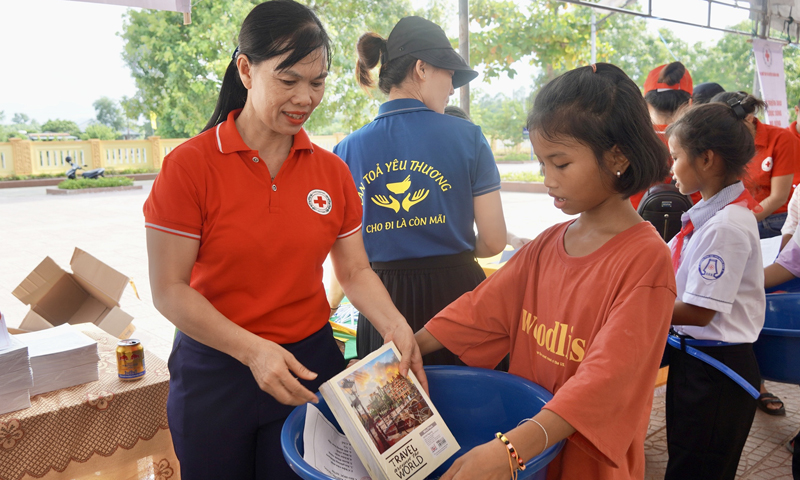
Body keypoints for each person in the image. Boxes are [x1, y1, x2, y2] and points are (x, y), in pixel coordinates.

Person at [142, 2, 425, 478]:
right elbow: (169, 289)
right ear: (246, 70)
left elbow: (354, 270)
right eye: (288, 80)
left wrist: (396, 324)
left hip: (308, 366)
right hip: (216, 369)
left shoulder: (331, 172)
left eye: (317, 83)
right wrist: (252, 350)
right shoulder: (190, 167)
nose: (304, 98)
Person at [416, 63, 677, 480]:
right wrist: (408, 348)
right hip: (532, 450)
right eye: (542, 165)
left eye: (561, 163)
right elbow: (479, 309)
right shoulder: (547, 243)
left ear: (618, 155)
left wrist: (511, 449)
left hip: (581, 461)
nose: (548, 180)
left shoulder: (645, 260)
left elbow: (606, 379)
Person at [333, 16, 508, 365]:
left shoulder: (346, 151)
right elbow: (494, 240)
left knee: (397, 415)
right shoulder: (468, 137)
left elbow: (347, 256)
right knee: (471, 410)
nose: (453, 88)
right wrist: (447, 244)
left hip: (380, 301)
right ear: (422, 68)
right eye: (450, 75)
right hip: (458, 297)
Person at [664, 99, 765, 479]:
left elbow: (700, 311)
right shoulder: (708, 217)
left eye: (675, 157)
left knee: (699, 468)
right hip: (696, 362)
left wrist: (633, 305)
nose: (670, 169)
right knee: (687, 459)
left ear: (707, 160)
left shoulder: (727, 227)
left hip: (716, 372)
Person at [711, 91, 798, 239]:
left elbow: (778, 197)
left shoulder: (781, 138)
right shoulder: (722, 140)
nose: (729, 134)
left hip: (773, 219)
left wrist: (740, 224)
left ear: (750, 118)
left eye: (732, 128)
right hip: (733, 217)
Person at [630, 62, 701, 209]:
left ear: (645, 104)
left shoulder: (629, 139)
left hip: (634, 227)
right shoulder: (702, 141)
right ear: (689, 103)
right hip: (690, 228)